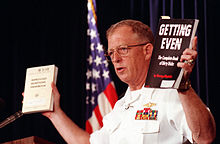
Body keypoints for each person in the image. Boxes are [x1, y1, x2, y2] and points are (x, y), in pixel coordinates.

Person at [43, 20, 216, 144]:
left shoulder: (171, 93)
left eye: (123, 49)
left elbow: (205, 137)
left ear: (147, 51)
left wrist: (183, 88)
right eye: (111, 53)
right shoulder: (120, 106)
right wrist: (54, 113)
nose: (116, 59)